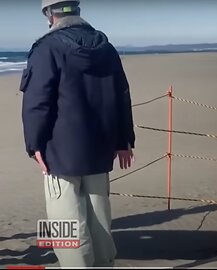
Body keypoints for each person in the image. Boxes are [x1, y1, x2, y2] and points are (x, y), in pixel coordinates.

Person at [20, 0, 135, 267]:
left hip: (60, 153)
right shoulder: (106, 47)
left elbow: (37, 102)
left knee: (66, 224)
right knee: (99, 218)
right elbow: (122, 95)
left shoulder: (46, 48)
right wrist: (123, 141)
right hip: (101, 147)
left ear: (50, 15)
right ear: (77, 10)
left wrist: (34, 145)